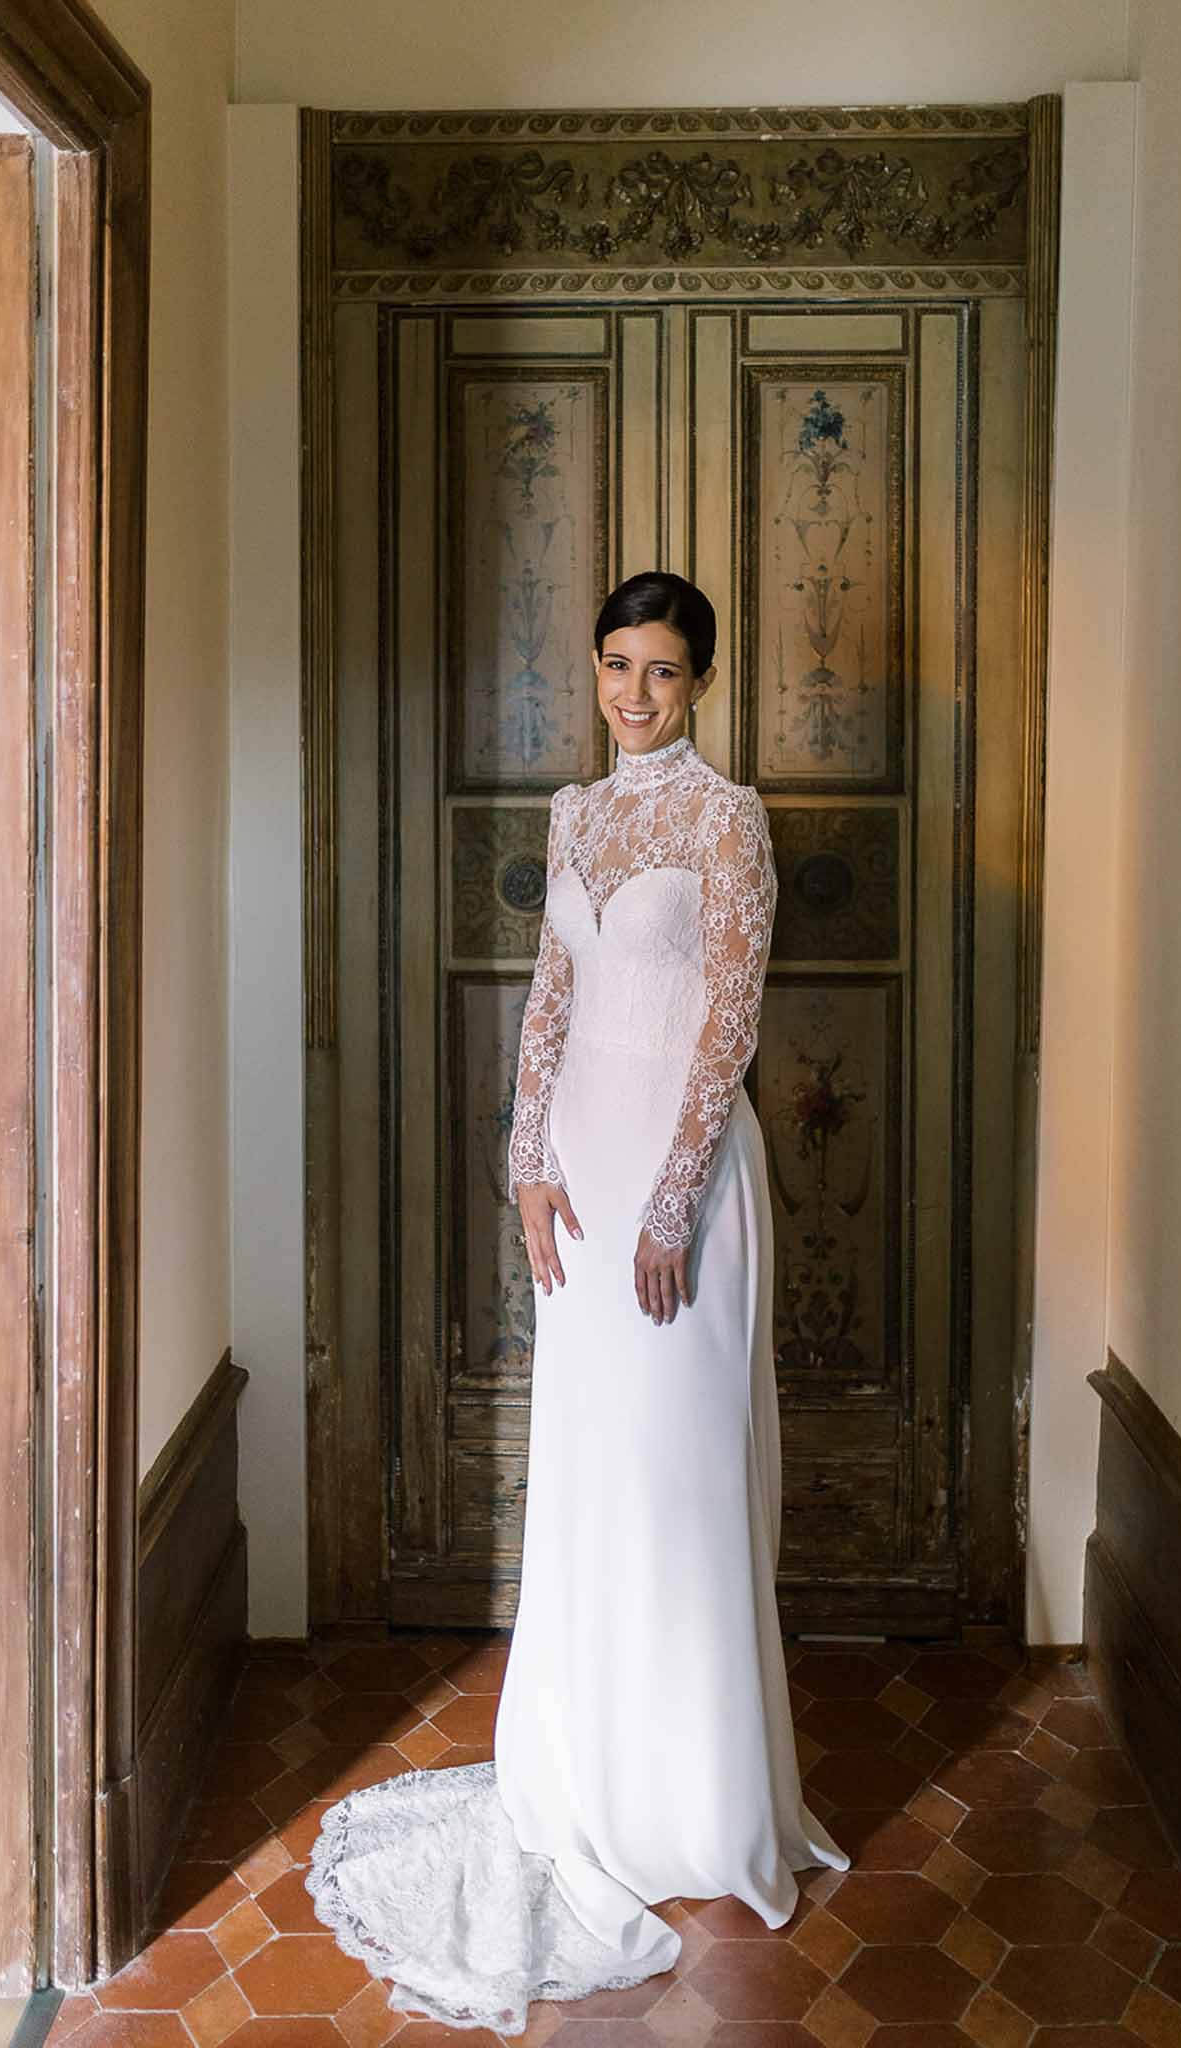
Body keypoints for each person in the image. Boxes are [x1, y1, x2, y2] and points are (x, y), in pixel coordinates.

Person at [305, 571, 849, 2033]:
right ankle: (587, 1774)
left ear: (700, 683)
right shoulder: (574, 813)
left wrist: (674, 1201)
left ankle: (697, 1801)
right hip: (580, 1184)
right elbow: (550, 990)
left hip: (682, 1190)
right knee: (596, 1480)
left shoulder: (725, 819)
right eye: (616, 665)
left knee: (678, 1485)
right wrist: (523, 1160)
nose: (633, 694)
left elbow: (730, 1013)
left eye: (662, 671)